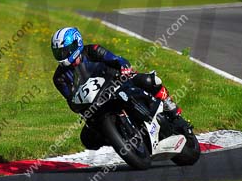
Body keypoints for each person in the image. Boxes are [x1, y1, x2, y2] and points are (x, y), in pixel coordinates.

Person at [51, 26, 192, 150]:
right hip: (95, 104)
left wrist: (123, 68)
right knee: (87, 139)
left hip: (116, 82)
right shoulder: (59, 77)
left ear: (77, 43)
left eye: (65, 51)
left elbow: (117, 59)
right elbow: (71, 100)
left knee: (150, 80)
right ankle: (119, 138)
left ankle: (174, 112)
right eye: (59, 53)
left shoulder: (93, 50)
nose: (62, 56)